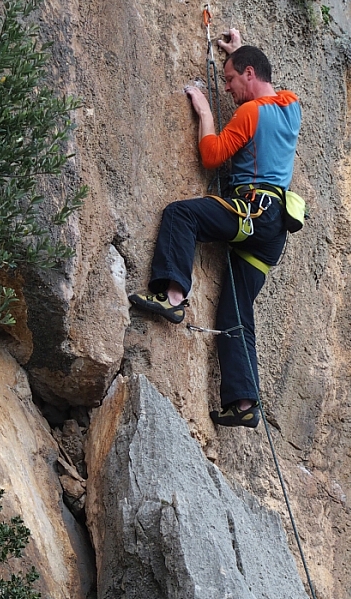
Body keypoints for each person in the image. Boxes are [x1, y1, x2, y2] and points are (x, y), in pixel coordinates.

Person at [129, 29, 302, 427]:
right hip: (274, 231)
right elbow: (263, 79)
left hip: (252, 213)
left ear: (249, 74)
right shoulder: (292, 106)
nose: (227, 88)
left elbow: (211, 156)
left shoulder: (249, 114)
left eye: (229, 80)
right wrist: (238, 50)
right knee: (235, 312)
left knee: (181, 214)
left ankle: (172, 297)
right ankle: (244, 404)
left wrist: (205, 111)